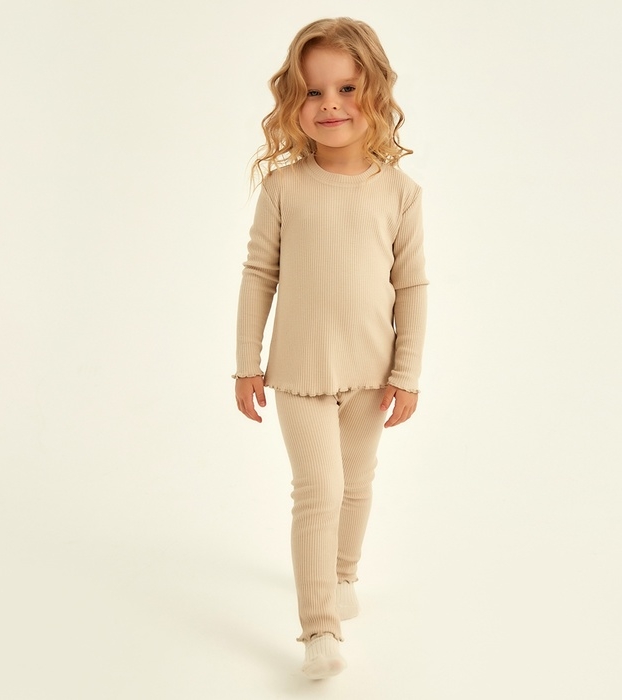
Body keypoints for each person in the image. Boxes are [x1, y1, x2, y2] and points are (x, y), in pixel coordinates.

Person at [233, 17, 428, 680]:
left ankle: (344, 574)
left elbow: (412, 287)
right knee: (319, 491)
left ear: (376, 92)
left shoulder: (401, 194)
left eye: (346, 88)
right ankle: (319, 629)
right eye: (313, 91)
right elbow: (259, 275)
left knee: (356, 485)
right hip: (298, 373)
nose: (330, 105)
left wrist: (407, 373)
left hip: (372, 374)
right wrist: (247, 363)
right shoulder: (283, 189)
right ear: (294, 99)